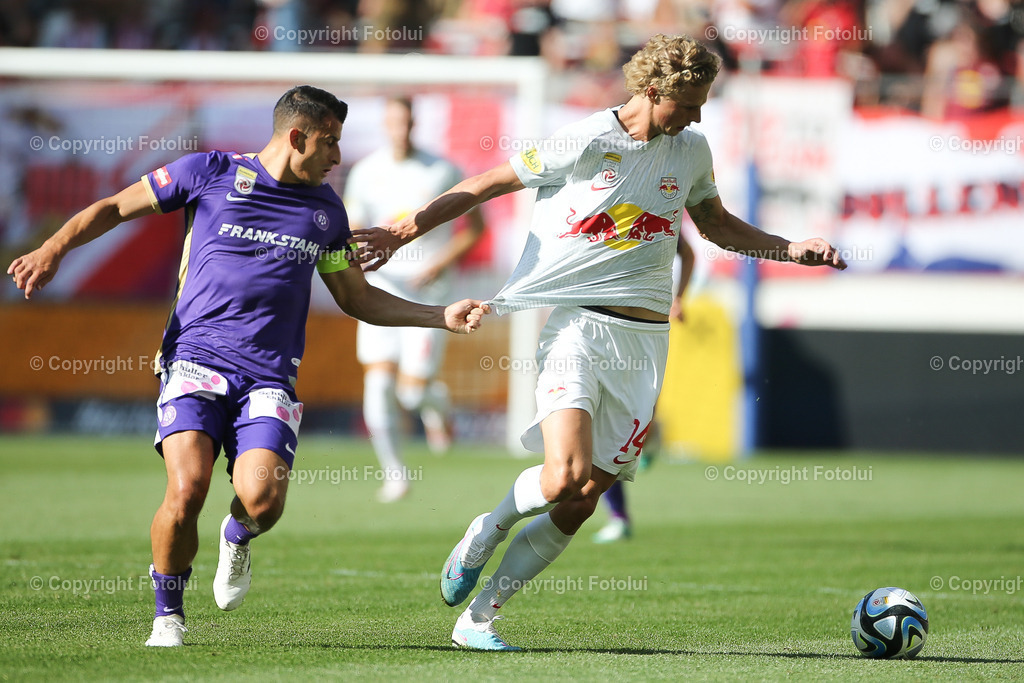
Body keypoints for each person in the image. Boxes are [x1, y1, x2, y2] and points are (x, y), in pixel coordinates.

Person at [352, 33, 846, 651]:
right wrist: (402, 232)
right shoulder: (588, 138)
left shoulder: (691, 149)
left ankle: (479, 618)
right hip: (579, 329)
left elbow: (716, 226)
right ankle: (486, 529)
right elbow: (485, 184)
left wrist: (790, 248)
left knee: (583, 500)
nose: (697, 117)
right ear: (654, 90)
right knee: (564, 475)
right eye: (689, 104)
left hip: (645, 345)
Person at [7, 85, 488, 648]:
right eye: (329, 142)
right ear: (297, 136)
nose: (337, 157)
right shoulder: (208, 172)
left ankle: (236, 535)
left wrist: (439, 317)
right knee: (187, 489)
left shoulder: (325, 212)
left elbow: (357, 298)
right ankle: (168, 617)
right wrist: (54, 247)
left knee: (263, 502)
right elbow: (114, 207)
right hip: (194, 359)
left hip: (268, 376)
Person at [344, 96, 486, 503]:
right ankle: (395, 475)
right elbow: (353, 229)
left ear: (414, 124)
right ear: (385, 124)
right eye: (393, 122)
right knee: (377, 385)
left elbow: (475, 229)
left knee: (411, 392)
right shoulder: (366, 172)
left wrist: (439, 264)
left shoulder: (442, 170)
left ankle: (437, 406)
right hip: (381, 290)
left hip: (429, 295)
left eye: (406, 122)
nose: (400, 130)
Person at [592, 230, 694, 544]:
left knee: (632, 414)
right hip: (595, 327)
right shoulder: (591, 215)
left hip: (642, 328)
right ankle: (618, 517)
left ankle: (649, 434)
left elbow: (688, 253)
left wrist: (679, 298)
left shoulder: (656, 211)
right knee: (602, 426)